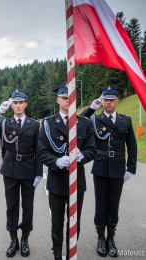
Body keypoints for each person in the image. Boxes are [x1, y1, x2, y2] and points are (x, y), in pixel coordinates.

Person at [0, 89, 43, 257]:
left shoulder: (35, 125)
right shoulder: (5, 123)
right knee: (11, 206)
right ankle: (13, 239)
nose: (17, 105)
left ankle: (25, 239)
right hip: (10, 170)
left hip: (29, 169)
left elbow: (39, 150)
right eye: (14, 103)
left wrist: (39, 173)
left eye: (20, 102)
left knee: (28, 207)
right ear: (12, 105)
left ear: (25, 104)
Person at [37, 83, 96, 260]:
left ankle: (72, 252)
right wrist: (56, 161)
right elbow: (41, 152)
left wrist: (82, 157)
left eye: (70, 97)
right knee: (57, 222)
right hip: (56, 179)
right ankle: (57, 253)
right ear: (58, 100)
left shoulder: (84, 123)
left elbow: (92, 150)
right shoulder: (48, 123)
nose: (67, 100)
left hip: (77, 180)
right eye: (64, 97)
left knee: (74, 221)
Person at [81, 85, 137, 258]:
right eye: (106, 99)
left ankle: (110, 239)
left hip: (119, 168)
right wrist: (91, 108)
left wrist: (131, 168)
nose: (109, 102)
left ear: (117, 101)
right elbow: (78, 121)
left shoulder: (125, 120)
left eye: (112, 99)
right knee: (100, 204)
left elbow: (132, 145)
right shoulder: (94, 120)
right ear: (102, 101)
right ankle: (100, 238)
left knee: (114, 204)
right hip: (100, 167)